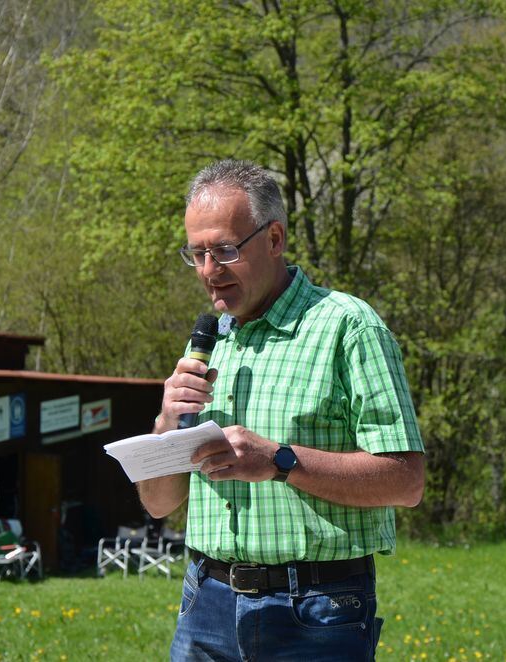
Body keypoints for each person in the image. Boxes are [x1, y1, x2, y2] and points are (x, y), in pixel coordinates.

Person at [137, 159, 425, 661]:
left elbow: (406, 480)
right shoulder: (208, 341)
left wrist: (279, 462)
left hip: (316, 612)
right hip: (206, 602)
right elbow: (159, 504)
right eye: (197, 254)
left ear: (274, 239)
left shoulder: (349, 328)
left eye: (225, 250)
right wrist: (166, 422)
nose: (209, 271)